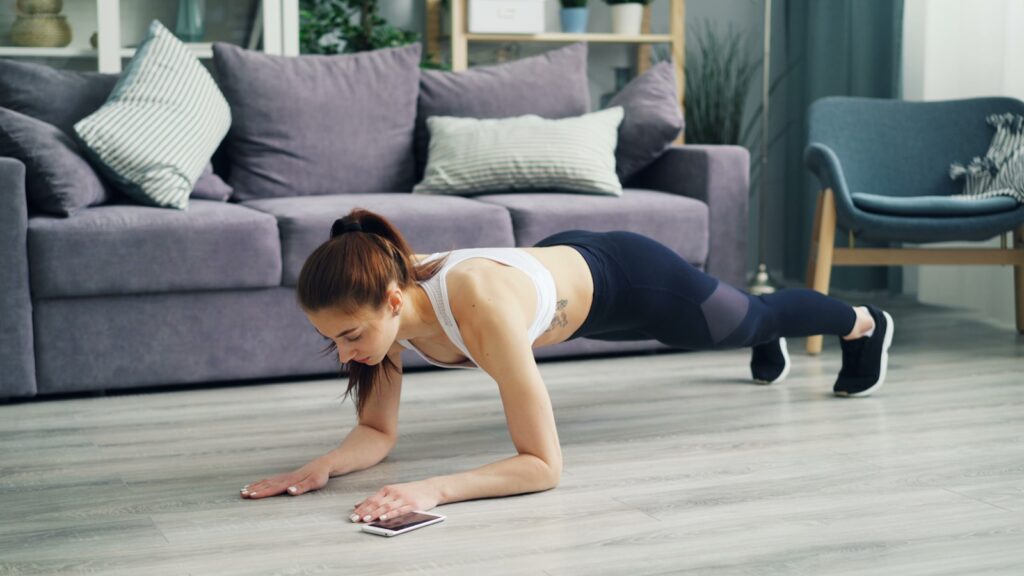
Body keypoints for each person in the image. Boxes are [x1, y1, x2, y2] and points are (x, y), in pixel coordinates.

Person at [240, 208, 894, 524]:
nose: (346, 352)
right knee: (734, 325)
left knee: (754, 316)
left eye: (351, 335)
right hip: (563, 282)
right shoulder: (379, 314)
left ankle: (863, 323)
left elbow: (543, 465)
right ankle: (758, 340)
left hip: (630, 279)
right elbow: (378, 436)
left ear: (392, 300)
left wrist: (431, 490)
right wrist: (321, 465)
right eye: (333, 341)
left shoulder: (477, 304)